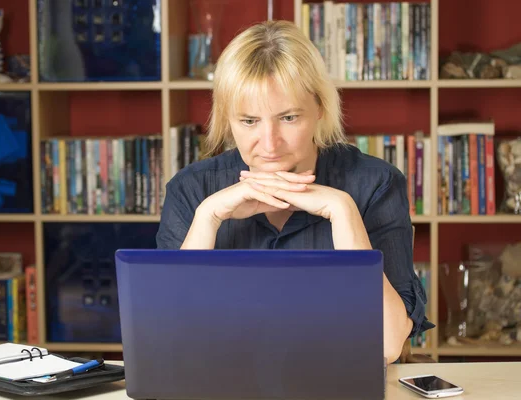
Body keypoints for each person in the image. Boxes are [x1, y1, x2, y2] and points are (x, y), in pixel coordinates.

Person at [156, 20, 434, 364]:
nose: (269, 144)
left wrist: (343, 210)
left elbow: (387, 346)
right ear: (227, 118)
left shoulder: (375, 184)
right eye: (248, 121)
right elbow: (168, 338)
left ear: (320, 108)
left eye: (288, 118)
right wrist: (208, 219)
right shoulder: (192, 190)